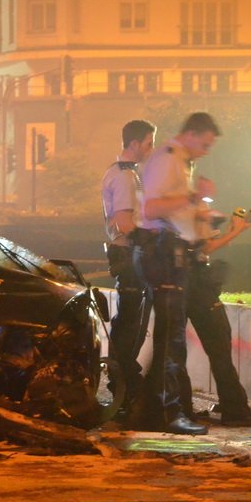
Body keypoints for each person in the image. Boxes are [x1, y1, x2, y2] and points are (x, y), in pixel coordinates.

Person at [129, 112, 221, 435]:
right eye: (205, 144)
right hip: (163, 253)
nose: (206, 151)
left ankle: (151, 411)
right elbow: (152, 208)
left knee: (171, 335)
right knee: (172, 338)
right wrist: (194, 197)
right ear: (192, 134)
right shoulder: (167, 159)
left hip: (173, 253)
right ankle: (169, 415)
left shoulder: (180, 161)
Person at [181, 209, 251, 426]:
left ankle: (181, 409)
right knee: (219, 343)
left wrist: (228, 232)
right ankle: (234, 409)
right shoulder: (184, 200)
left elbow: (201, 244)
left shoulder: (172, 199)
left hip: (181, 280)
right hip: (196, 283)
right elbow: (203, 248)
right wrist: (236, 232)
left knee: (174, 349)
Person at [101, 119, 156, 416]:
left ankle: (122, 383)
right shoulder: (123, 177)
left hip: (128, 253)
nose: (151, 148)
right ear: (134, 143)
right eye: (149, 142)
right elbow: (124, 223)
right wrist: (150, 237)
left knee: (130, 321)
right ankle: (123, 386)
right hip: (129, 254)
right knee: (130, 324)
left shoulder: (126, 173)